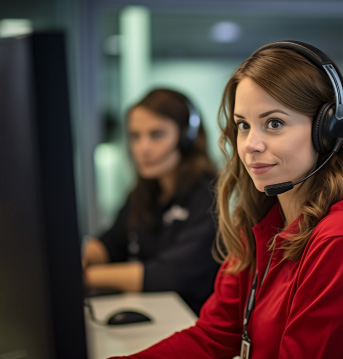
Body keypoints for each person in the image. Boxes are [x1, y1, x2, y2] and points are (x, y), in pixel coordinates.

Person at [108, 41, 343, 359]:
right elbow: (212, 338)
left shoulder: (335, 241)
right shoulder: (258, 224)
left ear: (327, 131)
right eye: (243, 125)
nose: (250, 145)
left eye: (274, 123)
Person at [82, 88, 220, 315]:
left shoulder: (209, 195)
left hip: (190, 320)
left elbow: (172, 275)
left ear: (187, 138)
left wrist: (85, 277)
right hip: (151, 313)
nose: (142, 148)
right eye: (135, 136)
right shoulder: (145, 191)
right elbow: (112, 242)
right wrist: (82, 256)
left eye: (156, 135)